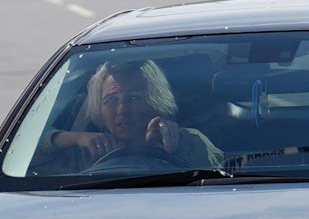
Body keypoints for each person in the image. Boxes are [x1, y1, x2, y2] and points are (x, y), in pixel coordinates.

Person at [39, 59, 223, 171]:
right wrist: (69, 138)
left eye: (134, 98)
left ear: (156, 102)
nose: (121, 110)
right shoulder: (84, 152)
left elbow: (216, 188)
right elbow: (22, 161)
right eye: (111, 100)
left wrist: (175, 150)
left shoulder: (189, 142)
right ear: (99, 110)